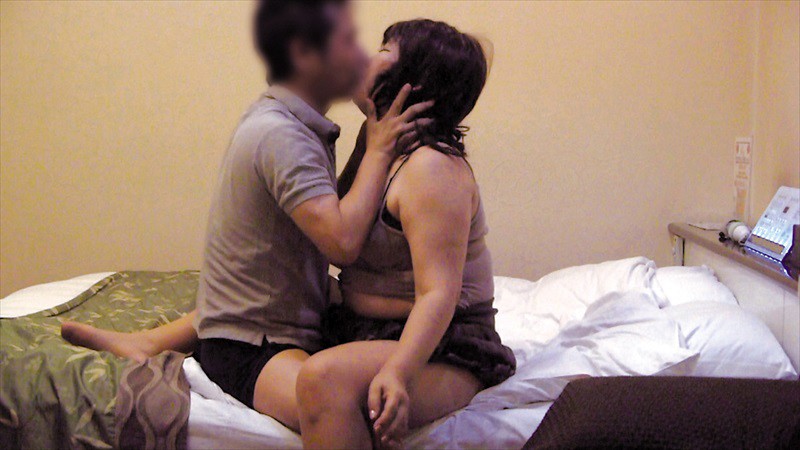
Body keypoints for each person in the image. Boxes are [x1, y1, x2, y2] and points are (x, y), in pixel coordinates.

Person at [62, 6, 517, 449]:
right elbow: (345, 227)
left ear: (411, 84)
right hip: (375, 328)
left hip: (445, 346)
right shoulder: (369, 144)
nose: (363, 57)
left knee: (321, 379)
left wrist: (398, 371)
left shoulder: (431, 170)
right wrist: (374, 147)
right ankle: (150, 342)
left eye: (382, 49)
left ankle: (155, 342)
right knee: (276, 289)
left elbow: (437, 294)